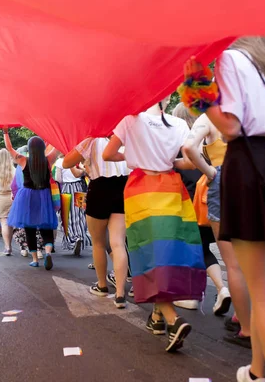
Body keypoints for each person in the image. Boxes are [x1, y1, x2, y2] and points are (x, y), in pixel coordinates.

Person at [183, 37, 265, 382]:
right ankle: (257, 371)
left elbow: (230, 126)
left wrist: (195, 88)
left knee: (261, 296)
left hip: (248, 167)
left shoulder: (229, 59)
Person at [103, 97, 205, 352]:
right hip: (171, 188)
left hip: (142, 189)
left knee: (149, 255)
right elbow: (191, 161)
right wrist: (169, 162)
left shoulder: (130, 120)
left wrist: (131, 154)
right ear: (167, 96)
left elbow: (107, 153)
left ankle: (172, 319)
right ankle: (158, 318)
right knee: (169, 253)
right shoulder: (179, 123)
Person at [179, 104, 249, 346]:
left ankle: (246, 327)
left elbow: (189, 147)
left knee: (233, 263)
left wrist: (210, 172)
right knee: (255, 259)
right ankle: (247, 315)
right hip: (254, 182)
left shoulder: (211, 116)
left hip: (224, 182)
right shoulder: (251, 108)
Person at [63, 137, 130, 308]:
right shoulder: (124, 136)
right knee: (118, 243)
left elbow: (66, 163)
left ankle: (102, 285)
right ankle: (120, 293)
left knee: (98, 242)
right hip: (123, 187)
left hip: (99, 187)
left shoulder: (91, 140)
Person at [4, 129, 58, 269]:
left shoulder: (23, 160)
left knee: (30, 229)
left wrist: (5, 132)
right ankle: (48, 252)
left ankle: (35, 260)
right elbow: (58, 146)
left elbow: (9, 148)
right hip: (44, 196)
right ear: (43, 148)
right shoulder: (49, 160)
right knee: (46, 226)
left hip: (27, 197)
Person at [54, 155, 91, 254]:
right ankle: (80, 236)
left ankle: (72, 239)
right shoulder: (77, 159)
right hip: (79, 188)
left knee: (67, 216)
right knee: (80, 214)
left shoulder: (60, 161)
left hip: (66, 189)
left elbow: (58, 178)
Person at [0, 149, 15, 255]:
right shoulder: (13, 169)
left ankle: (7, 246)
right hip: (12, 197)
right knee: (11, 224)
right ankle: (10, 244)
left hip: (0, 197)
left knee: (4, 223)